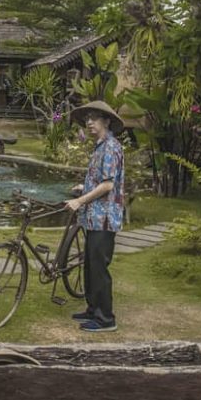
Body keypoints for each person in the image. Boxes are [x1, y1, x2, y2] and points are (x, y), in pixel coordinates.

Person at [65, 101, 125, 333]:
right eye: (88, 118)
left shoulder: (111, 147)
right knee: (89, 264)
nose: (89, 122)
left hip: (105, 217)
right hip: (93, 217)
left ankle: (105, 318)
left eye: (95, 118)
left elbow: (108, 185)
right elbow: (100, 180)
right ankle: (92, 309)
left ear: (107, 121)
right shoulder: (100, 146)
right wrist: (84, 186)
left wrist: (80, 200)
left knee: (99, 267)